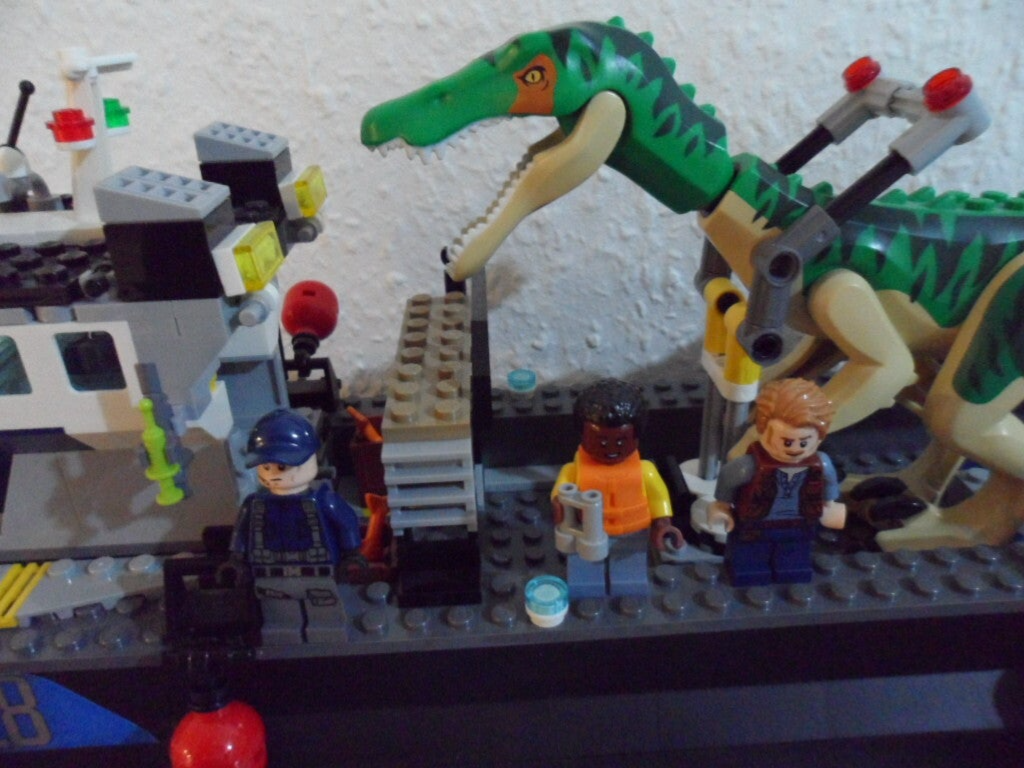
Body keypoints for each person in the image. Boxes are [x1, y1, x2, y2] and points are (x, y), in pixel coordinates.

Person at [228, 409, 362, 643]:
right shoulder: (254, 504)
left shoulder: (324, 500)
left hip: (318, 571)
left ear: (310, 460)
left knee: (325, 615)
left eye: (281, 467)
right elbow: (241, 533)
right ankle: (283, 639)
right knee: (279, 617)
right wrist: (237, 558)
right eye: (265, 467)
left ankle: (328, 637)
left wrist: (351, 553)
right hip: (269, 573)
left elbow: (347, 523)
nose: (273, 474)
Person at [551, 378, 684, 598]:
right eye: (601, 442)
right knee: (584, 569)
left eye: (621, 441)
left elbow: (658, 497)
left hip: (632, 532)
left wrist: (662, 523)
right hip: (587, 534)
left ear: (636, 436)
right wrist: (559, 506)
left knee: (629, 570)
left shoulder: (645, 470)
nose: (611, 449)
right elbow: (560, 495)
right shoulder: (574, 470)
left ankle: (628, 592)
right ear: (582, 435)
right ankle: (586, 591)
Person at [709, 378, 846, 586]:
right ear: (763, 431)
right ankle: (749, 577)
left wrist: (830, 505)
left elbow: (829, 484)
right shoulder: (749, 466)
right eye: (787, 442)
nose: (795, 449)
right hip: (755, 524)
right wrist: (721, 508)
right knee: (749, 562)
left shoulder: (822, 463)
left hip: (800, 523)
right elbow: (728, 478)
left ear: (819, 437)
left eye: (804, 442)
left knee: (793, 561)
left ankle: (791, 577)